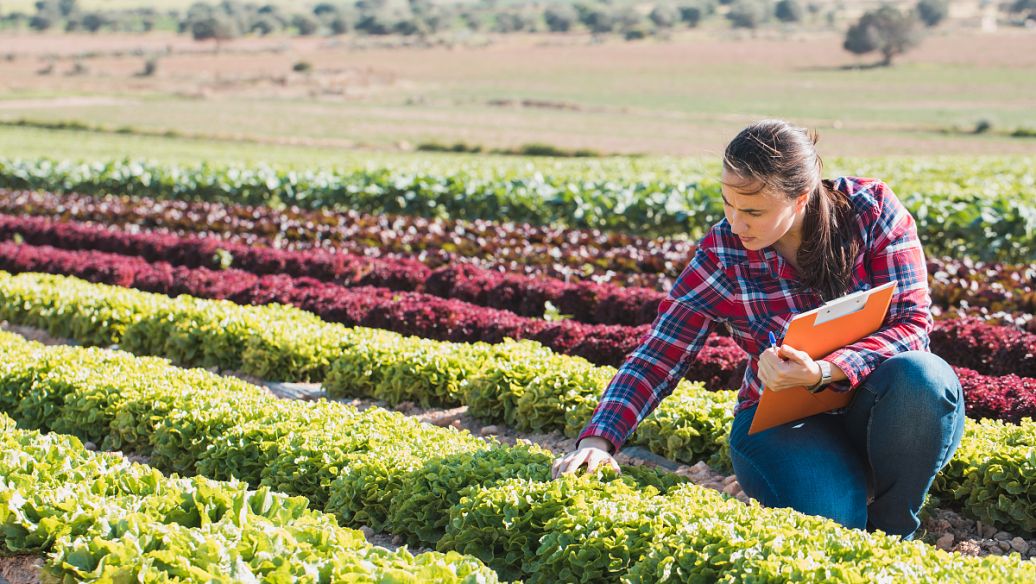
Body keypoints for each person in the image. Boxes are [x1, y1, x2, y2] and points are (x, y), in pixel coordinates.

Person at [550, 119, 966, 542]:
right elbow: (661, 352)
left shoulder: (870, 212)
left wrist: (824, 371)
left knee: (923, 377)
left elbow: (913, 325)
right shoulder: (724, 254)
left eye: (752, 211)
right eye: (728, 204)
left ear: (800, 198)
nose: (735, 223)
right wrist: (600, 440)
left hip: (881, 408)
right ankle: (842, 486)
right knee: (836, 528)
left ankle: (895, 529)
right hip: (783, 424)